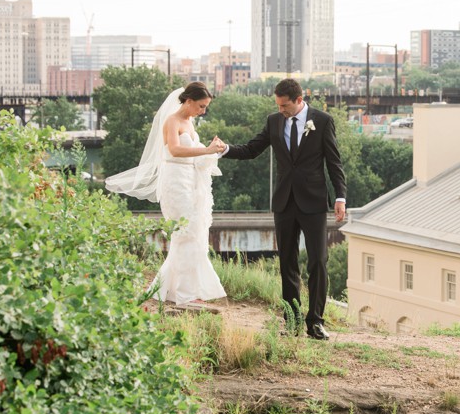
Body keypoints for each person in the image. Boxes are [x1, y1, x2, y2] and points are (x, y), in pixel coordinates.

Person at [221, 79, 346, 340]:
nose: (281, 110)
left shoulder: (322, 121)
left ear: (299, 100)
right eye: (278, 105)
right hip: (284, 203)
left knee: (318, 262)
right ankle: (292, 320)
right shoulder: (274, 121)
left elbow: (334, 162)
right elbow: (253, 149)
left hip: (313, 202)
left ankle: (316, 322)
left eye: (285, 105)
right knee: (287, 263)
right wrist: (226, 150)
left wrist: (341, 197)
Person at [105, 82, 227, 310]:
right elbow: (174, 150)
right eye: (201, 106)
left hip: (189, 181)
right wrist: (206, 150)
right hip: (174, 182)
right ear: (188, 101)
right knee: (184, 233)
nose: (203, 111)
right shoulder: (171, 121)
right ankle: (184, 294)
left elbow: (194, 155)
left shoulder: (189, 123)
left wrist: (212, 150)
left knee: (191, 233)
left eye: (205, 107)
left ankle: (173, 289)